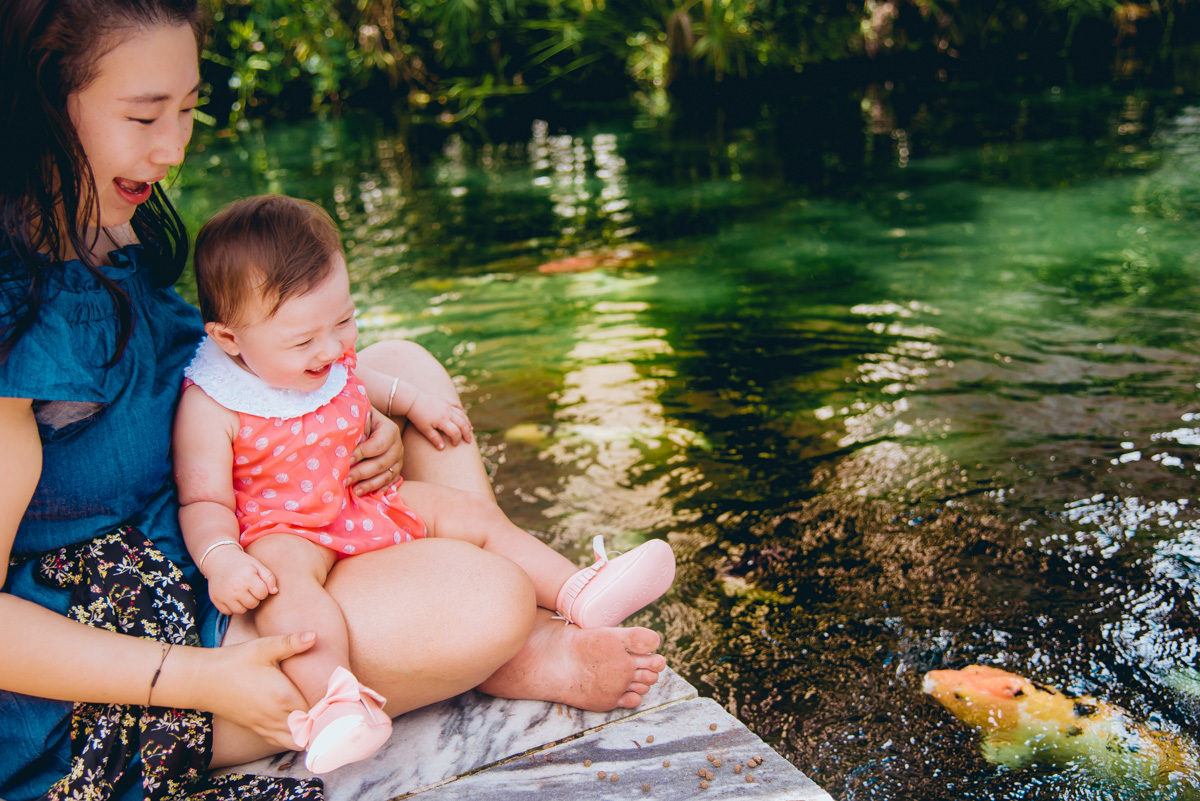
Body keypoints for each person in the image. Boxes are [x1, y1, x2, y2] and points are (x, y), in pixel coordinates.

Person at [0, 2, 667, 799]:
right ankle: (512, 648)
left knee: (399, 363)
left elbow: (225, 375)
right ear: (40, 101)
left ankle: (518, 641)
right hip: (134, 651)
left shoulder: (106, 228)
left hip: (227, 538)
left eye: (186, 109)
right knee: (482, 595)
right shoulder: (18, 324)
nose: (173, 148)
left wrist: (356, 423)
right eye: (145, 114)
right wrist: (206, 679)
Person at [175, 193, 677, 774]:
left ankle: (578, 591)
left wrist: (414, 405)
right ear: (229, 339)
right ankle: (336, 702)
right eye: (303, 340)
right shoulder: (214, 404)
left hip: (363, 497)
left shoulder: (322, 352)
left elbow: (367, 380)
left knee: (474, 516)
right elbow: (202, 498)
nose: (332, 347)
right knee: (296, 606)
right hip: (285, 530)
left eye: (343, 319)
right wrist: (222, 559)